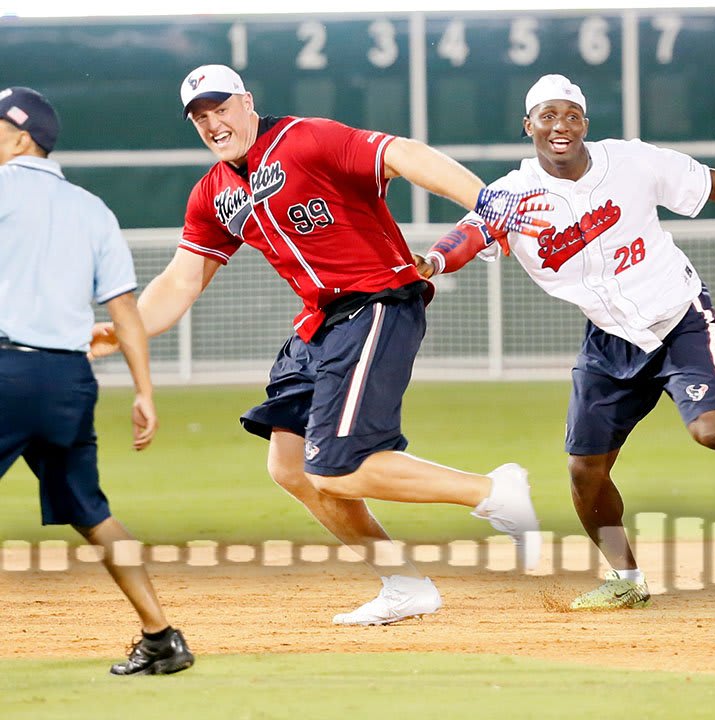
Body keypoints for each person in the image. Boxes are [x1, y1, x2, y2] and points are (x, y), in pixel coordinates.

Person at [90, 65, 547, 625]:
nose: (214, 123)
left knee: (337, 468)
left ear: (248, 102)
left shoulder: (307, 139)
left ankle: (492, 490)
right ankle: (404, 585)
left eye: (222, 108)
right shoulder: (213, 194)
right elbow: (182, 279)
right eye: (201, 116)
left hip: (376, 303)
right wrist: (126, 327)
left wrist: (484, 197)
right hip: (319, 323)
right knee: (290, 467)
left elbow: (402, 153)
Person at [418, 74, 715, 610]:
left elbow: (712, 182)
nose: (561, 126)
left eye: (572, 115)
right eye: (548, 115)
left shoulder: (630, 163)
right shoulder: (513, 195)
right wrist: (433, 263)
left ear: (585, 126)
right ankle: (627, 579)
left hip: (680, 315)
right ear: (528, 125)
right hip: (609, 337)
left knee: (714, 430)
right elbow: (471, 233)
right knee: (584, 470)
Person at [0, 87, 194, 674]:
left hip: (6, 373)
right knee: (92, 512)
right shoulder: (92, 209)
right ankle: (162, 638)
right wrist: (144, 391)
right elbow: (126, 314)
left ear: (19, 135)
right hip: (67, 380)